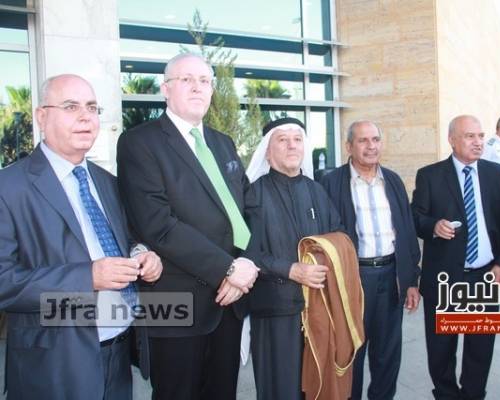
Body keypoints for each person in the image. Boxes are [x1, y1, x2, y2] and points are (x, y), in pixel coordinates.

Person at [0, 74, 163, 400]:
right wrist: (87, 277)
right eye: (71, 106)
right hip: (53, 364)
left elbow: (125, 239)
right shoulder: (9, 187)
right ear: (41, 116)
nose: (85, 116)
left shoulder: (107, 181)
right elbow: (4, 282)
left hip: (118, 355)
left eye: (91, 107)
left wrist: (142, 254)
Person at [116, 53, 259, 399]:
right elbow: (158, 225)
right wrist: (228, 269)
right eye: (186, 80)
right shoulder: (139, 142)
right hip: (175, 304)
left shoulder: (223, 142)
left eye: (204, 81)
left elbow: (249, 210)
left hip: (229, 302)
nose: (197, 87)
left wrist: (247, 264)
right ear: (165, 89)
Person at [412, 115, 500, 400]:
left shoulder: (497, 174)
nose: (478, 142)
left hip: (485, 277)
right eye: (470, 136)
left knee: (480, 351)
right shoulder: (430, 175)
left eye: (481, 136)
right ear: (452, 140)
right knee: (441, 351)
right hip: (444, 280)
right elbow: (416, 218)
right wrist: (433, 226)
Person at [244, 117, 344, 399]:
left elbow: (339, 235)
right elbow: (244, 253)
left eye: (297, 139)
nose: (292, 146)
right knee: (280, 390)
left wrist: (326, 259)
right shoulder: (253, 194)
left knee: (318, 387)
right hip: (274, 312)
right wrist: (290, 269)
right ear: (267, 151)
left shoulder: (317, 190)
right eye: (283, 140)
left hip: (318, 308)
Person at [320, 120, 421, 400]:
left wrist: (411, 280)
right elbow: (324, 237)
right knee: (351, 352)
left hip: (390, 276)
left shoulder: (393, 180)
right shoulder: (331, 183)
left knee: (388, 354)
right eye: (363, 140)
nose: (371, 146)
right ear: (349, 146)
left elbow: (407, 232)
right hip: (353, 279)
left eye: (375, 139)